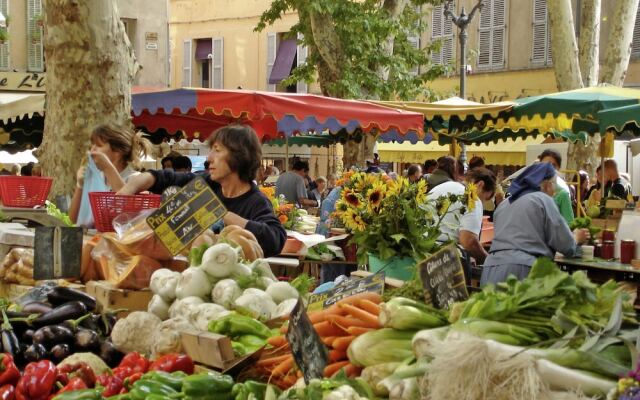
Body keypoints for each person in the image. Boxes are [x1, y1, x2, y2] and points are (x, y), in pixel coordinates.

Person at [118, 124, 286, 257]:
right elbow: (167, 178)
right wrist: (135, 183)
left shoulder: (256, 202)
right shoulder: (207, 183)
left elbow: (276, 238)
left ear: (240, 156)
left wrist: (219, 213)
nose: (209, 158)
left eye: (217, 150)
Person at [480, 163, 589, 286]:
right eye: (554, 186)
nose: (554, 192)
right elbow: (565, 245)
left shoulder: (503, 205)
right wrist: (576, 238)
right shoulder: (543, 200)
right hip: (523, 271)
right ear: (547, 185)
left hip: (491, 270)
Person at [70, 123, 152, 226]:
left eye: (99, 145)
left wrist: (107, 167)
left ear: (117, 151)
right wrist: (80, 185)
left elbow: (129, 219)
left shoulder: (136, 179)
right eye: (92, 146)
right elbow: (73, 219)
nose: (92, 150)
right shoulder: (97, 178)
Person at [428, 167, 497, 278]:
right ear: (480, 185)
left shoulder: (442, 187)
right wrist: (487, 260)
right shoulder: (472, 197)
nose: (482, 203)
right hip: (447, 261)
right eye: (485, 198)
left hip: (422, 255)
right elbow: (468, 241)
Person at [538, 149, 574, 224]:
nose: (548, 168)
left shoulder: (563, 194)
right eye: (544, 165)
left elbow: (569, 225)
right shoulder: (531, 190)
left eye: (553, 165)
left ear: (558, 168)